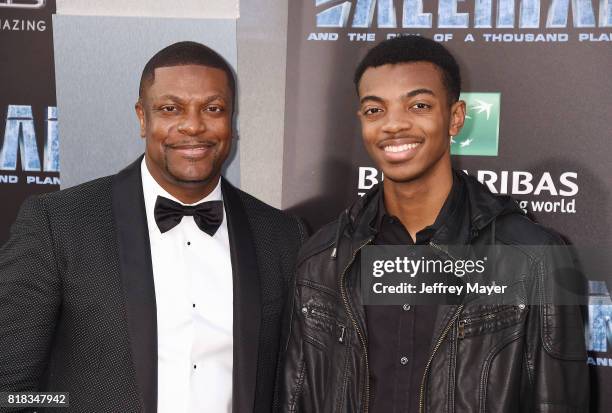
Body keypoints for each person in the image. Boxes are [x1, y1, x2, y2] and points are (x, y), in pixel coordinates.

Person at [280, 36, 588, 412]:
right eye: (375, 110)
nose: (393, 125)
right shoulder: (320, 260)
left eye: (419, 105)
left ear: (455, 117)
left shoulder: (532, 259)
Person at [0, 41, 306, 412]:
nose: (193, 125)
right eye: (170, 108)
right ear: (143, 118)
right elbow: (10, 387)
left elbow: (293, 385)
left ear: (232, 121)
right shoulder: (60, 224)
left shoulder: (281, 236)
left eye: (213, 108)